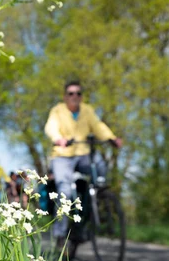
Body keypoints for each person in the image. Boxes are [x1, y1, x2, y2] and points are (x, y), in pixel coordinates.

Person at [44, 80, 122, 246]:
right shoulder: (57, 110)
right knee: (64, 190)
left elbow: (98, 126)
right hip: (62, 155)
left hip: (82, 153)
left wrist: (111, 138)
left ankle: (96, 199)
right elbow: (51, 127)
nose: (75, 96)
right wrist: (58, 139)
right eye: (71, 93)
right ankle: (60, 233)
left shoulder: (87, 110)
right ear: (65, 96)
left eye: (78, 93)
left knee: (99, 165)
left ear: (81, 96)